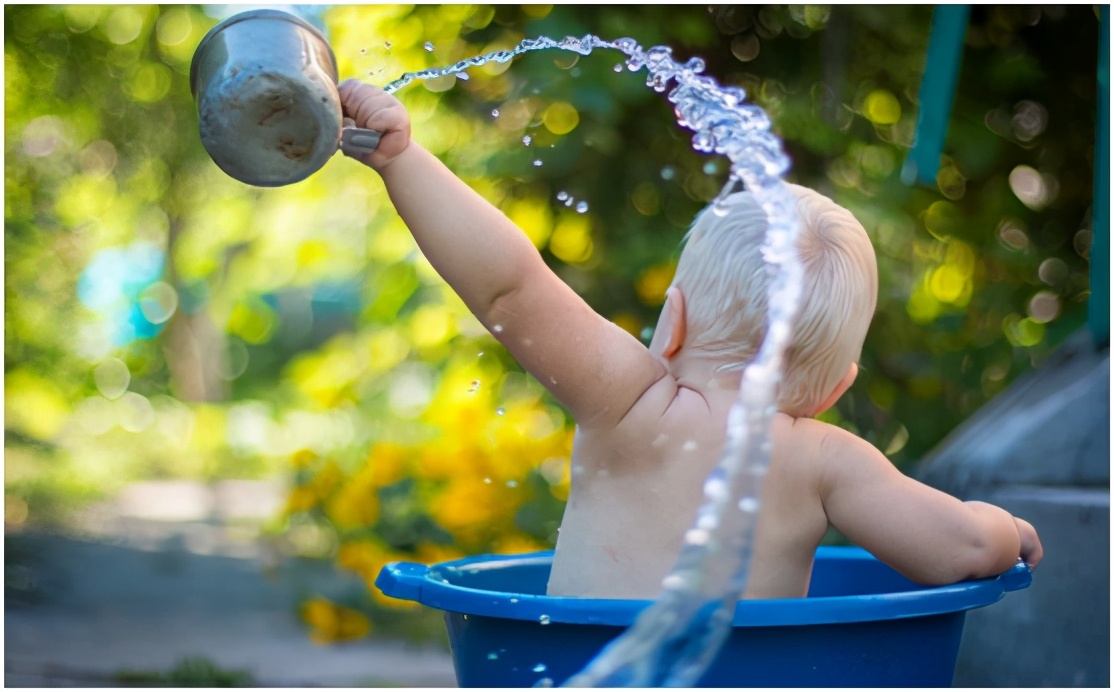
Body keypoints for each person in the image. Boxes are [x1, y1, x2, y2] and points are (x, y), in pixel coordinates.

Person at [337, 80, 1043, 600]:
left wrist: (402, 158)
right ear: (835, 389)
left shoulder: (630, 404)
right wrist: (1007, 529)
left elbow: (510, 287)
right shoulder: (828, 462)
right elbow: (962, 549)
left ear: (670, 322)